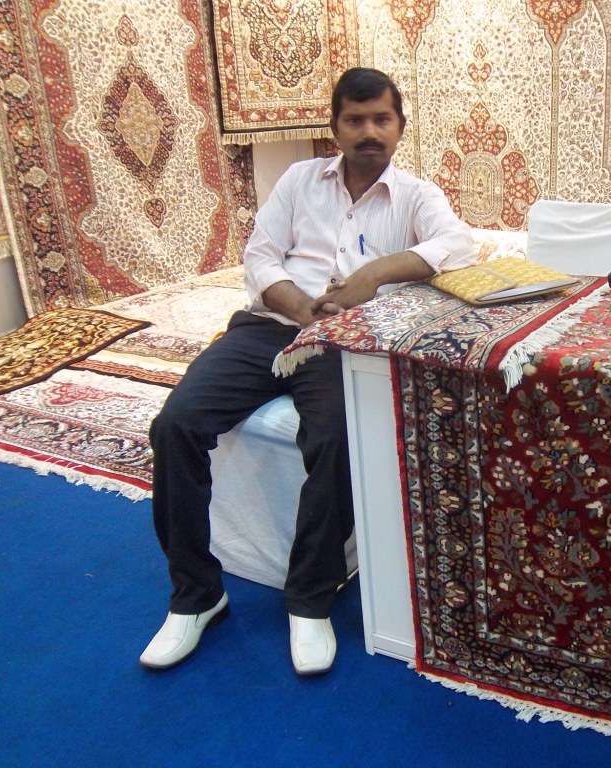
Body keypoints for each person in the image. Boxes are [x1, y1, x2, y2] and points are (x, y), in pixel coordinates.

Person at [141, 68, 475, 675]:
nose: (369, 131)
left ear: (400, 126)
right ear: (335, 127)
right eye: (355, 119)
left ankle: (310, 600)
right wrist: (302, 308)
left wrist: (373, 275)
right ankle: (196, 594)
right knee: (175, 425)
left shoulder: (416, 195)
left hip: (341, 343)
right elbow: (260, 257)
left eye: (381, 119)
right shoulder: (299, 180)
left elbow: (457, 246)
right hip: (270, 326)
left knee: (335, 439)